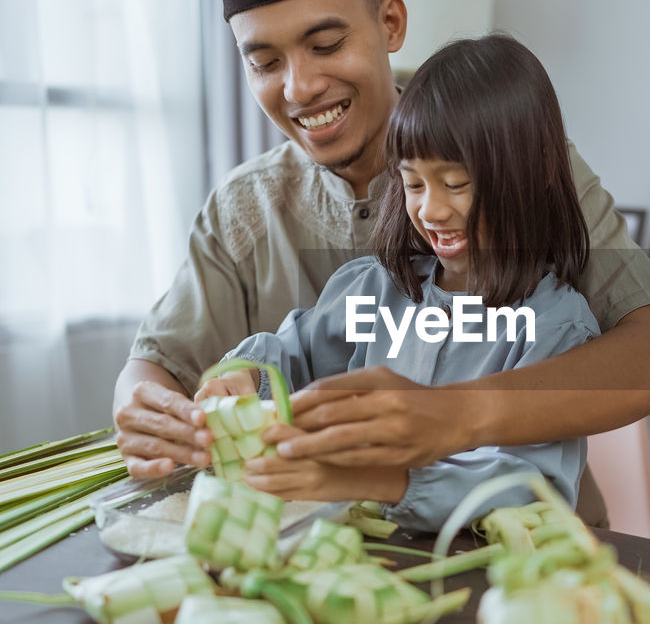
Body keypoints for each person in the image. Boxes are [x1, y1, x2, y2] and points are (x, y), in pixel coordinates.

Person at [113, 0, 650, 525]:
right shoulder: (250, 211)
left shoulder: (519, 165)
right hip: (336, 545)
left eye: (327, 43)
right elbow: (165, 366)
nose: (299, 87)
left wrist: (447, 416)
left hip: (519, 554)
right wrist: (158, 413)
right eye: (264, 64)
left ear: (391, 24)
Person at [195, 33, 599, 530]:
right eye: (412, 184)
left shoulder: (557, 328)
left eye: (455, 184)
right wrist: (248, 378)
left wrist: (388, 480)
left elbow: (530, 488)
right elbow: (292, 357)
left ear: (531, 174)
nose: (430, 209)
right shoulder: (373, 289)